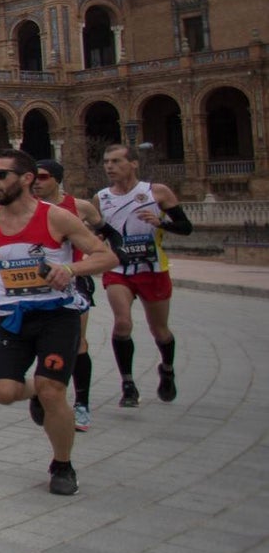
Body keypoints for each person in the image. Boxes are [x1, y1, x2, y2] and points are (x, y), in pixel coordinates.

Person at [0, 149, 117, 495]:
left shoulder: (56, 218)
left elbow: (106, 255)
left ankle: (62, 464)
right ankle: (36, 391)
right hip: (13, 318)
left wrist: (70, 269)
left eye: (1, 175)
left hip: (57, 315)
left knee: (54, 390)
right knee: (2, 392)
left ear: (27, 178)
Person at [93, 144, 193, 407]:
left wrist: (161, 223)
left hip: (152, 268)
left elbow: (186, 227)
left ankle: (167, 369)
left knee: (159, 330)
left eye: (115, 161)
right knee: (123, 323)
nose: (109, 167)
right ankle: (128, 384)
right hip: (118, 269)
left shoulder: (156, 192)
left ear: (133, 163)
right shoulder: (101, 198)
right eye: (106, 162)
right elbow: (97, 233)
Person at [34, 159, 107, 431]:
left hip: (74, 281)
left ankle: (82, 404)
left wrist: (89, 253)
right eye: (34, 178)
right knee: (40, 342)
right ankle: (45, 392)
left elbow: (106, 233)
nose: (36, 183)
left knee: (78, 342)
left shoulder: (79, 207)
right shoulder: (29, 208)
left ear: (56, 179)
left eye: (42, 177)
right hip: (37, 285)